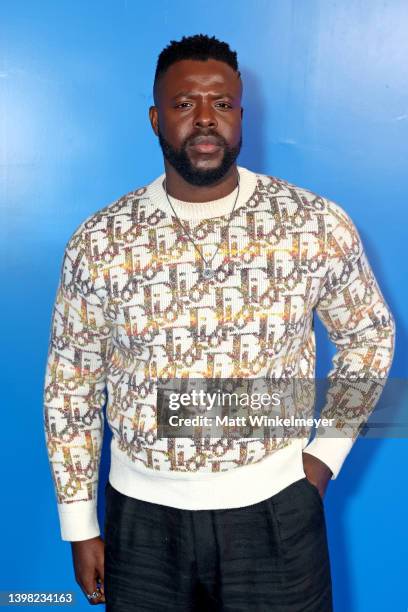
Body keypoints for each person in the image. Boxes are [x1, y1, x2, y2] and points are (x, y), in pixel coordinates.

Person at [43, 34, 395, 611]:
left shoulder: (312, 224)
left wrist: (325, 455)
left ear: (241, 116)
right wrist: (79, 522)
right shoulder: (101, 240)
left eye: (222, 104)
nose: (205, 119)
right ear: (156, 118)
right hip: (141, 523)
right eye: (185, 105)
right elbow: (71, 384)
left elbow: (369, 335)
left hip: (278, 512)